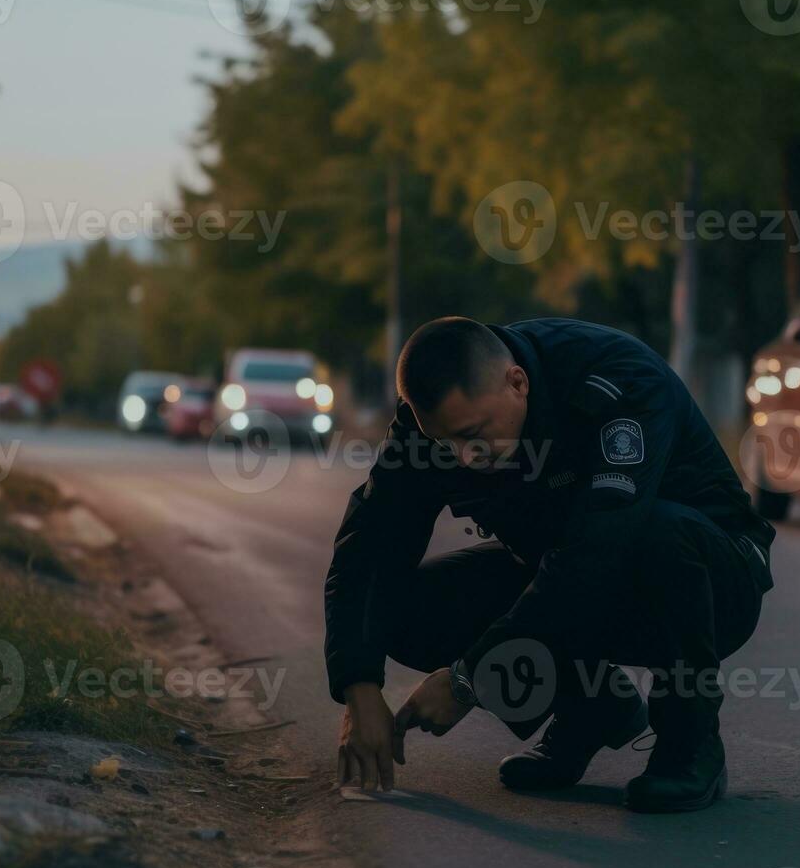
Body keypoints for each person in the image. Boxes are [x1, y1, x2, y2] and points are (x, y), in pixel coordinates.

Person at [324, 317, 775, 813]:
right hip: (570, 577)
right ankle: (591, 709)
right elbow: (371, 542)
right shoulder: (432, 430)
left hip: (714, 579)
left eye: (474, 436)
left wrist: (468, 679)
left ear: (517, 382)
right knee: (405, 612)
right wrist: (359, 685)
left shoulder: (617, 381)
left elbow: (597, 550)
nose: (463, 457)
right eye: (445, 444)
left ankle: (691, 745)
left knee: (650, 531)